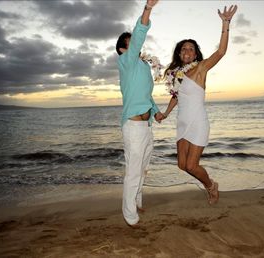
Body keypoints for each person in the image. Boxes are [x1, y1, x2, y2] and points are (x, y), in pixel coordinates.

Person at [161, 5, 238, 204]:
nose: (187, 51)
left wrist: (225, 23)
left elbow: (220, 52)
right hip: (182, 123)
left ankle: (211, 186)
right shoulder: (176, 75)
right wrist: (166, 113)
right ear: (179, 54)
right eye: (183, 48)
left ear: (195, 55)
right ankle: (209, 184)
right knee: (181, 165)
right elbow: (176, 96)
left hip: (198, 122)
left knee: (193, 166)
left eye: (191, 48)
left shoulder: (200, 69)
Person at [116, 0, 164, 227]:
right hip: (133, 127)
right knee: (133, 171)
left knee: (143, 167)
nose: (136, 46)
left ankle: (137, 200)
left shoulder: (142, 67)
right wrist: (148, 9)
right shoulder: (126, 61)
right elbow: (140, 33)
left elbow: (146, 95)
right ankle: (129, 214)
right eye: (131, 43)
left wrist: (156, 112)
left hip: (146, 127)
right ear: (124, 49)